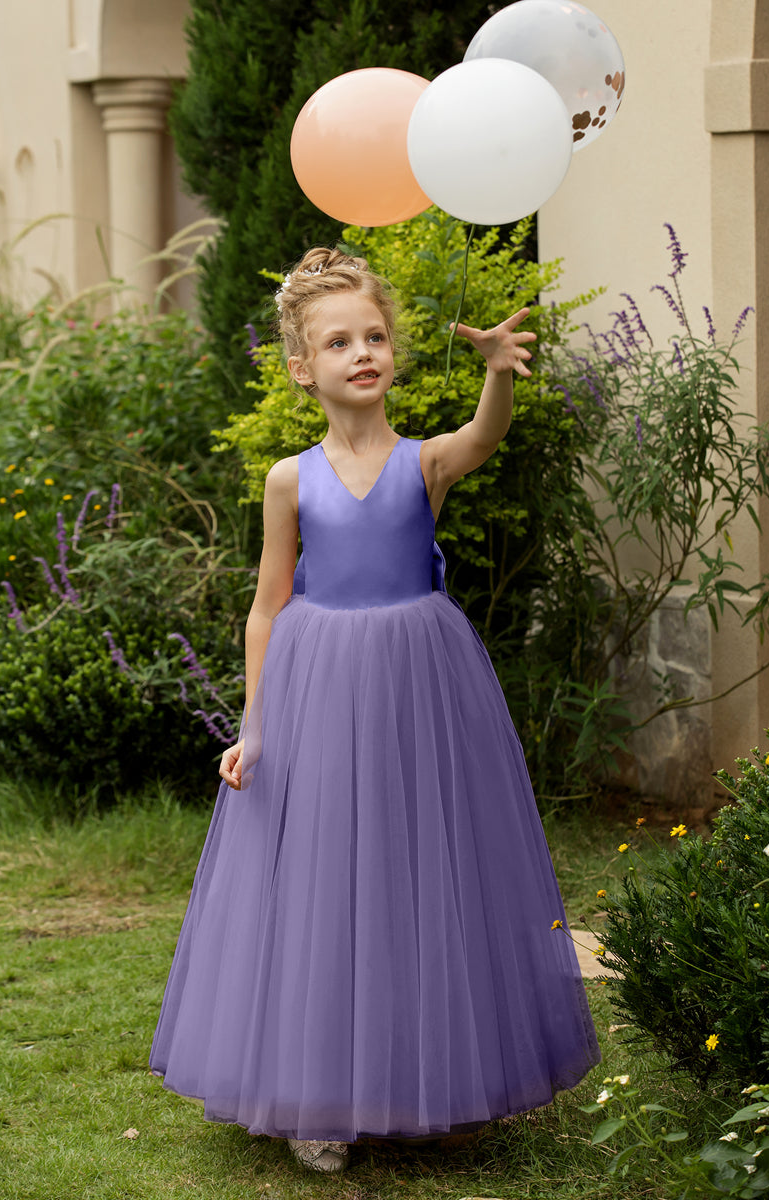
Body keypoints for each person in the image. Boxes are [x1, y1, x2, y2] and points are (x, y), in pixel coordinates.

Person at [150, 247, 601, 1174]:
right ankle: (319, 1093)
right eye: (339, 341)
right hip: (318, 685)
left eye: (376, 336)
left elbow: (484, 439)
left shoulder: (422, 462)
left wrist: (494, 377)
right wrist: (255, 727)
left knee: (423, 870)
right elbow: (268, 605)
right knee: (323, 880)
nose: (363, 352)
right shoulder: (290, 479)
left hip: (419, 685)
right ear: (300, 367)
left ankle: (439, 1078)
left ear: (393, 351)